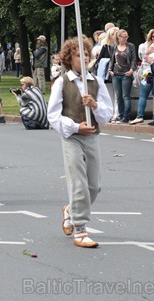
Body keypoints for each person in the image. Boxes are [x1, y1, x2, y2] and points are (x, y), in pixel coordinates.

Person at [48, 38, 113, 248]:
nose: (83, 59)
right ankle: (80, 228)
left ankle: (70, 210)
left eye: (86, 55)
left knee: (94, 186)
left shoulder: (97, 82)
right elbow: (53, 115)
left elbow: (106, 115)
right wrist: (76, 127)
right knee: (78, 183)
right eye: (78, 55)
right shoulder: (62, 82)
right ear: (69, 59)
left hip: (91, 136)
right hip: (72, 137)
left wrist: (93, 104)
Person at [130, 28, 154, 126]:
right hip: (147, 73)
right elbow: (143, 59)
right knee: (143, 95)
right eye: (153, 36)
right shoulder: (144, 46)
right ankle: (140, 116)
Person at [109, 29, 136, 123]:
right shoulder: (114, 47)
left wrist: (132, 70)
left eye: (126, 37)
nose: (125, 39)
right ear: (118, 37)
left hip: (126, 74)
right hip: (115, 74)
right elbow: (111, 59)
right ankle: (120, 116)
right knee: (118, 96)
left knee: (126, 96)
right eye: (123, 37)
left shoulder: (130, 46)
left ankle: (126, 117)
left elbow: (133, 59)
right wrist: (110, 70)